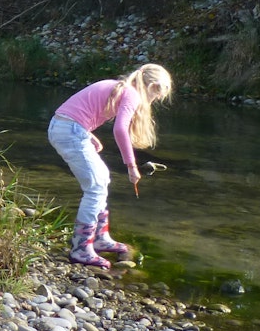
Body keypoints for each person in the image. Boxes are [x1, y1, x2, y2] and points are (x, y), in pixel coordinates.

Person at [47, 63, 173, 270]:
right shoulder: (131, 93)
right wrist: (131, 165)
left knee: (102, 178)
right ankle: (81, 248)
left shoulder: (119, 88)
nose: (157, 99)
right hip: (68, 130)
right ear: (151, 86)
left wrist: (87, 134)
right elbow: (121, 130)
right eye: (158, 93)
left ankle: (100, 237)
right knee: (95, 187)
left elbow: (73, 111)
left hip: (65, 127)